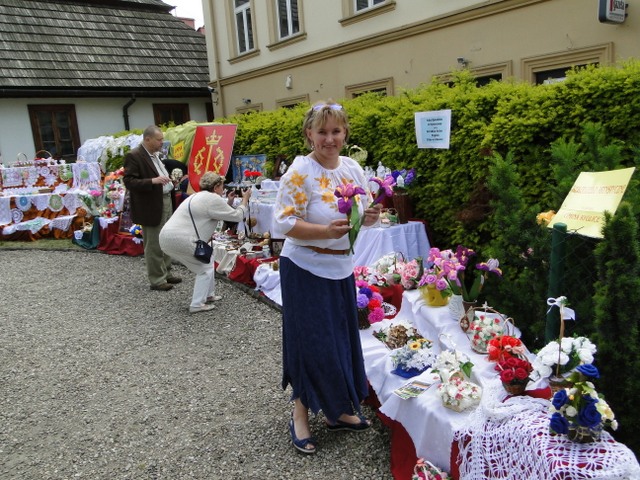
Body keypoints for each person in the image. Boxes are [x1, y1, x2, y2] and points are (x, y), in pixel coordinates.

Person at [273, 100, 381, 454]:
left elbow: (363, 212)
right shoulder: (300, 172)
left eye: (336, 131)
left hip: (340, 268)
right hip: (305, 268)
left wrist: (369, 217)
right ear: (309, 134)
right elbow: (284, 223)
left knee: (339, 341)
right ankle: (300, 415)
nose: (330, 139)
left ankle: (337, 411)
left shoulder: (351, 168)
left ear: (345, 133)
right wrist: (325, 232)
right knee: (311, 343)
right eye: (322, 132)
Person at [159, 172, 251, 313]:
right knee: (204, 268)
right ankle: (197, 304)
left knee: (208, 258)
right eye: (222, 186)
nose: (223, 189)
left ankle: (208, 295)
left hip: (167, 237)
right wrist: (245, 199)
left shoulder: (198, 196)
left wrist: (228, 203)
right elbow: (238, 216)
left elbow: (213, 212)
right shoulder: (213, 198)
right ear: (215, 187)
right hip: (180, 239)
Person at [123, 125, 181, 291]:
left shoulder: (155, 155)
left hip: (165, 200)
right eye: (159, 140)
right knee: (154, 242)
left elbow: (159, 176)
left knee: (167, 238)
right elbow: (129, 182)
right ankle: (157, 279)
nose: (162, 142)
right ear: (147, 139)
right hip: (151, 205)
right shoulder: (134, 155)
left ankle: (166, 272)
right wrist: (152, 181)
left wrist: (170, 181)